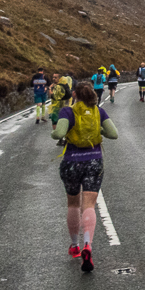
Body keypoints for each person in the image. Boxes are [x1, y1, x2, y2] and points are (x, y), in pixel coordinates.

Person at [52, 82, 118, 272]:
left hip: (72, 161)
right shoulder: (99, 112)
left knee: (73, 203)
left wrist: (53, 133)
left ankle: (75, 246)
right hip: (94, 161)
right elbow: (114, 134)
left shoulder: (68, 112)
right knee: (89, 204)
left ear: (74, 94)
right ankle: (88, 245)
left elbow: (59, 133)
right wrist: (99, 130)